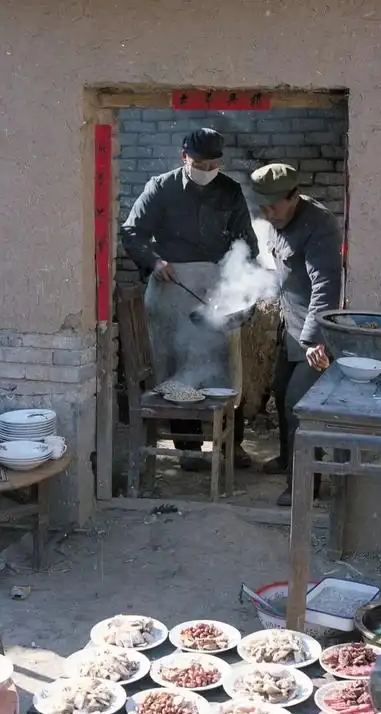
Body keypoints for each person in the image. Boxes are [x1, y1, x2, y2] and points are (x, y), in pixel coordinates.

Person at [121, 128, 259, 471]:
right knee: (176, 366)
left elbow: (247, 243)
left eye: (214, 163)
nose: (207, 169)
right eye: (200, 163)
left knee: (225, 366)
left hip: (215, 289)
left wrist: (235, 281)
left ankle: (231, 446)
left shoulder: (229, 191)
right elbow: (132, 232)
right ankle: (187, 450)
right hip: (171, 288)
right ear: (184, 157)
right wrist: (155, 261)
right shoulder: (161, 187)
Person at [250, 163, 343, 506]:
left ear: (294, 196)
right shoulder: (277, 220)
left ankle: (305, 484)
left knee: (298, 404)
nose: (268, 213)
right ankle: (289, 462)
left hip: (316, 333)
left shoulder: (319, 225)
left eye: (273, 206)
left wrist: (315, 339)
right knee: (280, 391)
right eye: (263, 207)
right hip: (292, 326)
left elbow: (326, 285)